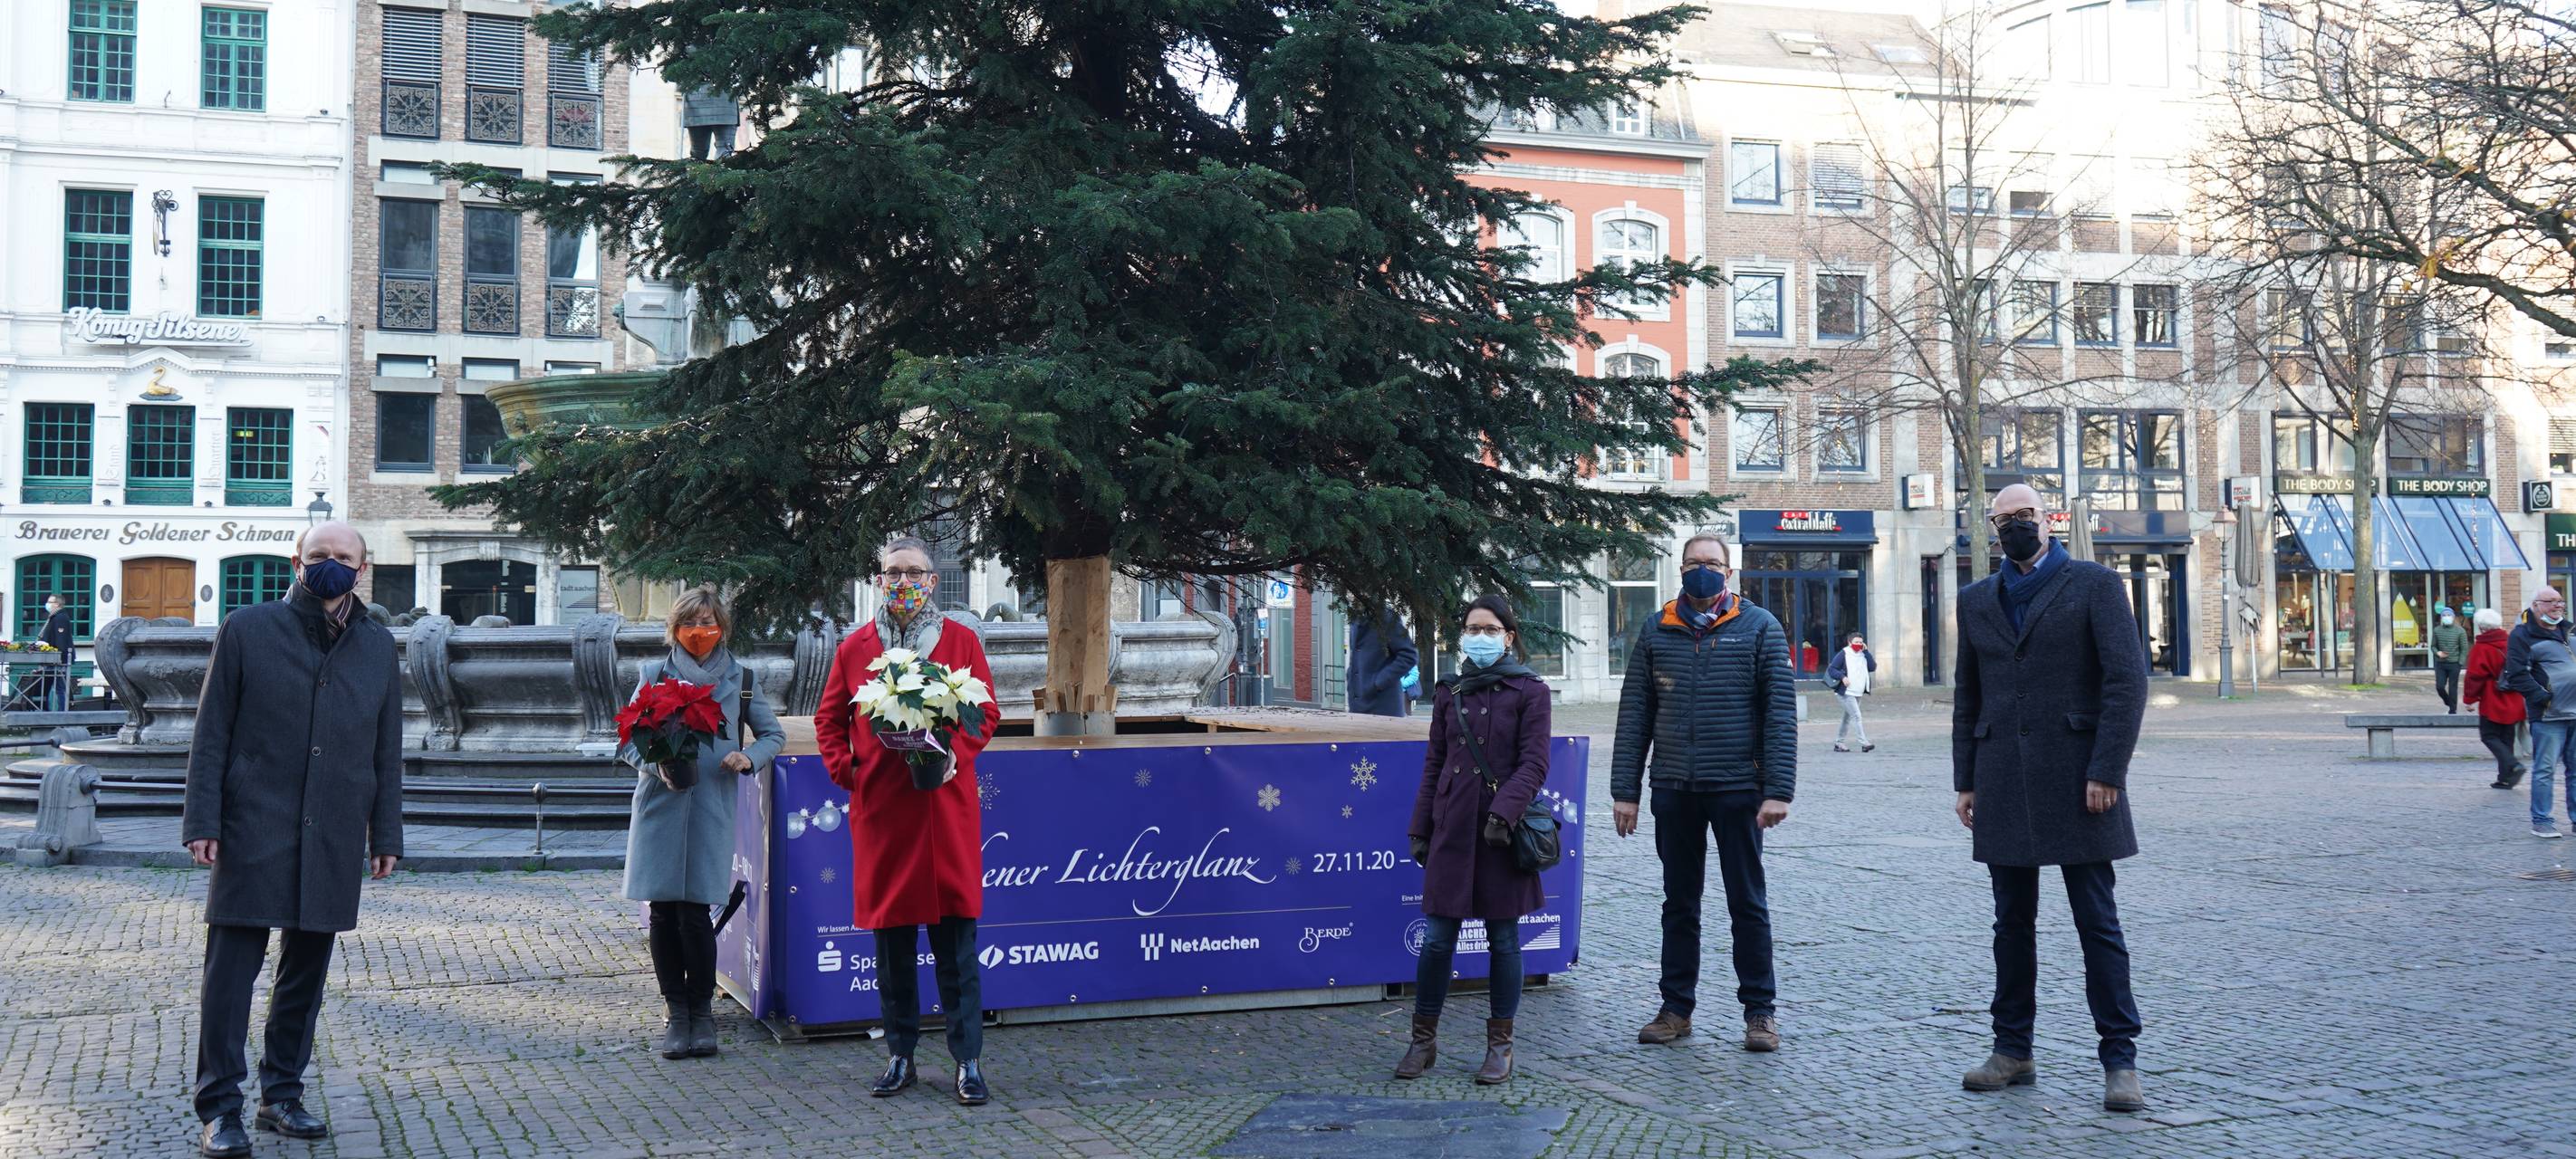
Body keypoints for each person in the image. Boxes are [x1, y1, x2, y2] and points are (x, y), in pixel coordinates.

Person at [178, 522, 403, 1156]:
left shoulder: (378, 646)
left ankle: (283, 1096)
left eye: (343, 558)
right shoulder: (248, 630)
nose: (330, 566)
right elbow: (211, 731)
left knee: (304, 975)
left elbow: (387, 750)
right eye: (319, 557)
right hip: (254, 823)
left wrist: (384, 831)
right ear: (297, 563)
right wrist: (203, 821)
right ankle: (221, 1107)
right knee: (230, 978)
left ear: (363, 569)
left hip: (332, 828)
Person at [1953, 484, 2149, 1113]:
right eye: (2003, 519)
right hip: (2003, 780)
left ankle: (2120, 1060)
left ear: (2049, 519)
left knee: (2097, 922)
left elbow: (2126, 681)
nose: (2015, 526)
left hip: (2080, 779)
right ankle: (2013, 1049)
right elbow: (1968, 696)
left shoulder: (2095, 584)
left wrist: (2108, 770)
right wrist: (1966, 779)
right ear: (1991, 527)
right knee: (2010, 925)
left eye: (2026, 516)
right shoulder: (1977, 598)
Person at [817, 536, 999, 1105]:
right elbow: (829, 719)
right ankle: (900, 1056)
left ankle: (967, 1061)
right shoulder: (855, 647)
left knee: (957, 947)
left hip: (944, 812)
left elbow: (986, 710)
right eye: (894, 573)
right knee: (892, 951)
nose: (904, 583)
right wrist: (851, 771)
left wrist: (954, 757)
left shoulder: (962, 641)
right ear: (878, 579)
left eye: (915, 573)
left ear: (932, 578)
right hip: (885, 817)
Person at [1610, 533, 1795, 1054]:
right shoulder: (1656, 628)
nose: (1703, 571)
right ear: (1681, 569)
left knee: (1748, 903)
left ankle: (1760, 1013)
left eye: (1712, 564)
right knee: (1679, 904)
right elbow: (1635, 715)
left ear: (1729, 573)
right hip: (1674, 787)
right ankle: (1675, 1010)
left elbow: (1779, 714)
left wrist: (1777, 790)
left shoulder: (1760, 627)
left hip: (1738, 787)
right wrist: (1625, 790)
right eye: (1694, 563)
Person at [620, 588, 785, 1060]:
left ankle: (702, 1014)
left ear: (723, 627)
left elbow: (772, 734)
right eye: (690, 622)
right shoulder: (653, 675)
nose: (699, 632)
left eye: (708, 622)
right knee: (662, 913)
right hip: (659, 807)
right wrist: (658, 766)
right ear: (674, 628)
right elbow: (629, 740)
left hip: (713, 804)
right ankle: (677, 1015)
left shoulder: (742, 678)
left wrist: (748, 757)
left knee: (694, 915)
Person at [1398, 595, 1552, 1085]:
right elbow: (1434, 763)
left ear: (1508, 636)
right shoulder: (1450, 690)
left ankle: (1500, 1047)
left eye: (1488, 629)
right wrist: (1421, 826)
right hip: (1453, 827)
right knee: (1438, 940)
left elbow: (1534, 763)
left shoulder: (1530, 691)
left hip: (1501, 834)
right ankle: (1423, 1042)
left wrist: (1504, 815)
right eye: (1471, 628)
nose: (1478, 636)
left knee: (1504, 940)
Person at [2499, 588, 2576, 838]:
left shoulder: (2568, 631)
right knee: (2545, 769)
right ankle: (2542, 820)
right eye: (2551, 602)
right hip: (2549, 715)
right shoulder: (2523, 635)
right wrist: (2542, 698)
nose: (2558, 606)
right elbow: (2517, 674)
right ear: (2536, 605)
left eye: (2560, 602)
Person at [2463, 607, 2527, 790]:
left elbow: (2474, 676)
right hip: (2514, 696)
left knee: (2489, 735)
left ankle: (2513, 765)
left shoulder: (2482, 648)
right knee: (2506, 738)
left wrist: (2469, 699)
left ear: (2482, 627)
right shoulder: (2512, 642)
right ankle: (2505, 777)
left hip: (2494, 696)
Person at [1347, 608, 1419, 717]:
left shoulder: (1387, 617)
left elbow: (1409, 655)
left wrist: (1379, 682)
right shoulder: (1355, 618)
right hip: (1357, 706)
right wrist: (1351, 680)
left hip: (1383, 707)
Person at [1827, 634, 1876, 753]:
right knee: (1856, 716)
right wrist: (1843, 677)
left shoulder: (1864, 654)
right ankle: (1864, 743)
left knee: (1847, 718)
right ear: (1849, 642)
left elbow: (1872, 667)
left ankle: (1839, 743)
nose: (1858, 644)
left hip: (1858, 692)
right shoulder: (1844, 653)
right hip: (1846, 692)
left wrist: (1867, 652)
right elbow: (1832, 669)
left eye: (1861, 642)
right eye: (1856, 642)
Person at [38, 594, 74, 710]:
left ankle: (62, 713)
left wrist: (58, 657)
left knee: (60, 688)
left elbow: (61, 640)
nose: (47, 604)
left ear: (57, 604)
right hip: (51, 659)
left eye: (50, 602)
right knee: (48, 687)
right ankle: (47, 711)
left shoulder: (60, 617)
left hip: (58, 660)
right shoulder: (54, 616)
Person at [2431, 607, 2468, 714]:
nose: (2447, 617)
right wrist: (2438, 653)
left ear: (2453, 617)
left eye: (2449, 615)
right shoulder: (2437, 630)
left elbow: (2464, 648)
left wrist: (2460, 663)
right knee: (2439, 687)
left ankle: (2453, 710)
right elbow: (2433, 646)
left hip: (2454, 664)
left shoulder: (2460, 631)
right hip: (2441, 664)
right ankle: (2448, 702)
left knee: (2453, 687)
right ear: (2441, 618)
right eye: (2444, 615)